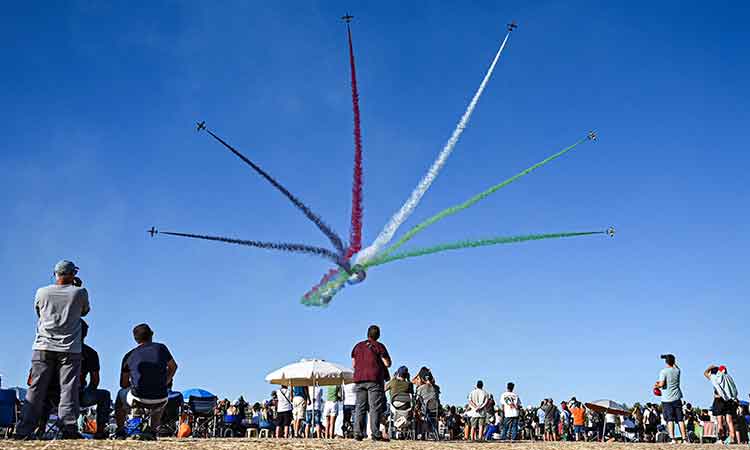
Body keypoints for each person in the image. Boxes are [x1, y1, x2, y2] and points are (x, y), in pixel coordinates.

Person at [14, 260, 90, 440]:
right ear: (72, 274)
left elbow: (39, 313)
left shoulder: (42, 292)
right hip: (70, 348)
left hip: (43, 346)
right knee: (68, 389)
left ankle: (24, 430)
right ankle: (69, 429)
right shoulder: (80, 292)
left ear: (55, 274)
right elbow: (84, 311)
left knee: (36, 389)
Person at [114, 324, 178, 440]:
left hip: (138, 397)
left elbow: (123, 384)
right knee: (159, 398)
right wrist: (164, 381)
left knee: (120, 395)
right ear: (152, 335)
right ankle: (153, 431)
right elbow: (173, 367)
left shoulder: (129, 356)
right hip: (161, 397)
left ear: (135, 339)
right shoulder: (161, 348)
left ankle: (120, 431)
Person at [351, 325, 391, 441]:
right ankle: (375, 433)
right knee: (374, 407)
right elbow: (387, 363)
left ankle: (358, 432)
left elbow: (353, 364)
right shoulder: (379, 346)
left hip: (359, 379)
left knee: (360, 406)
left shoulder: (357, 346)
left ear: (367, 334)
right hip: (374, 379)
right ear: (378, 335)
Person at [654, 354, 687, 442]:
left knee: (670, 419)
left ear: (666, 362)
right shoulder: (677, 371)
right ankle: (684, 438)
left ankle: (673, 439)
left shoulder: (663, 371)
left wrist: (656, 385)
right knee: (680, 419)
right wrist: (670, 359)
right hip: (677, 397)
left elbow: (661, 384)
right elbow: (676, 366)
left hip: (667, 399)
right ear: (674, 361)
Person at [704, 364, 739, 444]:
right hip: (729, 401)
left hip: (719, 400)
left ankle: (720, 439)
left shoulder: (715, 377)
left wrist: (710, 367)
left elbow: (705, 373)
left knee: (720, 421)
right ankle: (733, 439)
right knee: (729, 421)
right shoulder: (728, 378)